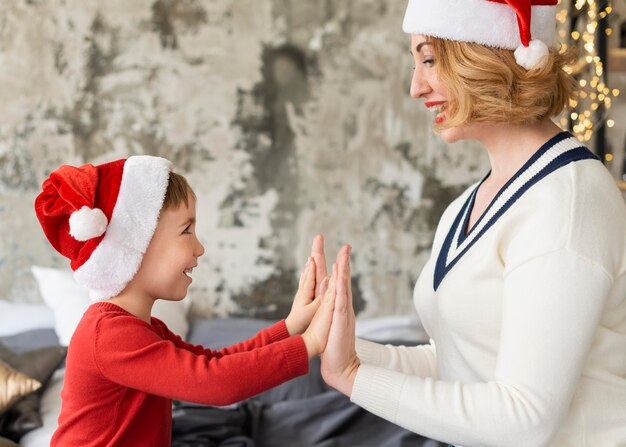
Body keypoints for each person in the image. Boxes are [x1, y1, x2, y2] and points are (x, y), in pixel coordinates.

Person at [313, 0, 626, 446]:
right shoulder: (469, 204)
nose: (415, 87)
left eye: (429, 59)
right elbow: (456, 362)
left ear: (485, 55)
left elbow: (524, 420)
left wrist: (352, 378)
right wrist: (328, 346)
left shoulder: (565, 201)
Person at [34, 156, 348, 446]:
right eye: (187, 231)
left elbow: (214, 362)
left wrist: (292, 327)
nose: (200, 248)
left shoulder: (144, 328)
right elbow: (217, 383)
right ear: (136, 246)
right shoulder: (108, 335)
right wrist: (310, 343)